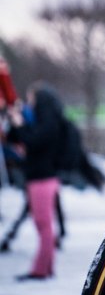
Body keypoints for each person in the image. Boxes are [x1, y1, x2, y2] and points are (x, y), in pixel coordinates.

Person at [6, 83, 65, 281]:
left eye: (31, 98)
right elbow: (18, 138)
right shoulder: (43, 120)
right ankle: (46, 267)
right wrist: (17, 121)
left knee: (43, 225)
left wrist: (20, 124)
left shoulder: (48, 122)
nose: (29, 102)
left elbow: (32, 142)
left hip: (42, 179)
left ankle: (41, 269)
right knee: (44, 225)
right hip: (41, 178)